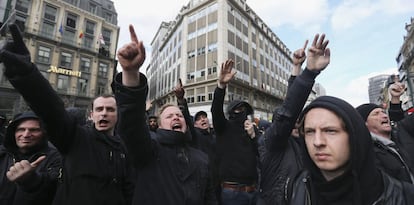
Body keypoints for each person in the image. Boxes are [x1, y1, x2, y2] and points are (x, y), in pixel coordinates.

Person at [0, 24, 134, 205]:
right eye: (100, 109)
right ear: (91, 114)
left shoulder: (123, 148)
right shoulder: (76, 138)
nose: (104, 114)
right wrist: (26, 73)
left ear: (117, 115)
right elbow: (50, 109)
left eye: (110, 109)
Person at [112, 24, 217, 205]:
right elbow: (131, 123)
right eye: (169, 116)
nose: (176, 117)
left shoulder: (202, 159)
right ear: (159, 126)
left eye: (179, 115)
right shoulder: (149, 150)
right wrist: (130, 73)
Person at [287, 95, 414, 204]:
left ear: (354, 136)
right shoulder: (296, 189)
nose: (318, 142)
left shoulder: (404, 197)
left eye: (330, 131)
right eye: (310, 132)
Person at [257, 35, 330, 205]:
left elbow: (292, 106)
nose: (297, 122)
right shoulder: (272, 143)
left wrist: (296, 68)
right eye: (292, 122)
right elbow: (289, 111)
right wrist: (309, 72)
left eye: (300, 120)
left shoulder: (308, 143)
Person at [211, 59, 260, 205]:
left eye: (244, 110)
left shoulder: (252, 130)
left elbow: (262, 155)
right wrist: (221, 86)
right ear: (231, 112)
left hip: (253, 190)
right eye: (238, 110)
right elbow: (216, 110)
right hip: (232, 193)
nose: (242, 113)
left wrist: (254, 136)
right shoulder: (223, 127)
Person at [0, 111, 62, 205]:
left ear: (44, 133)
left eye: (34, 130)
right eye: (21, 129)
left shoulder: (55, 158)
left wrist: (32, 181)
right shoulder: (2, 153)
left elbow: (53, 189)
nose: (26, 135)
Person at [356, 94, 414, 183]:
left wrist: (395, 97)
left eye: (383, 112)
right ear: (364, 123)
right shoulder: (368, 154)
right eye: (376, 114)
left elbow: (399, 119)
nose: (384, 116)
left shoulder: (401, 134)